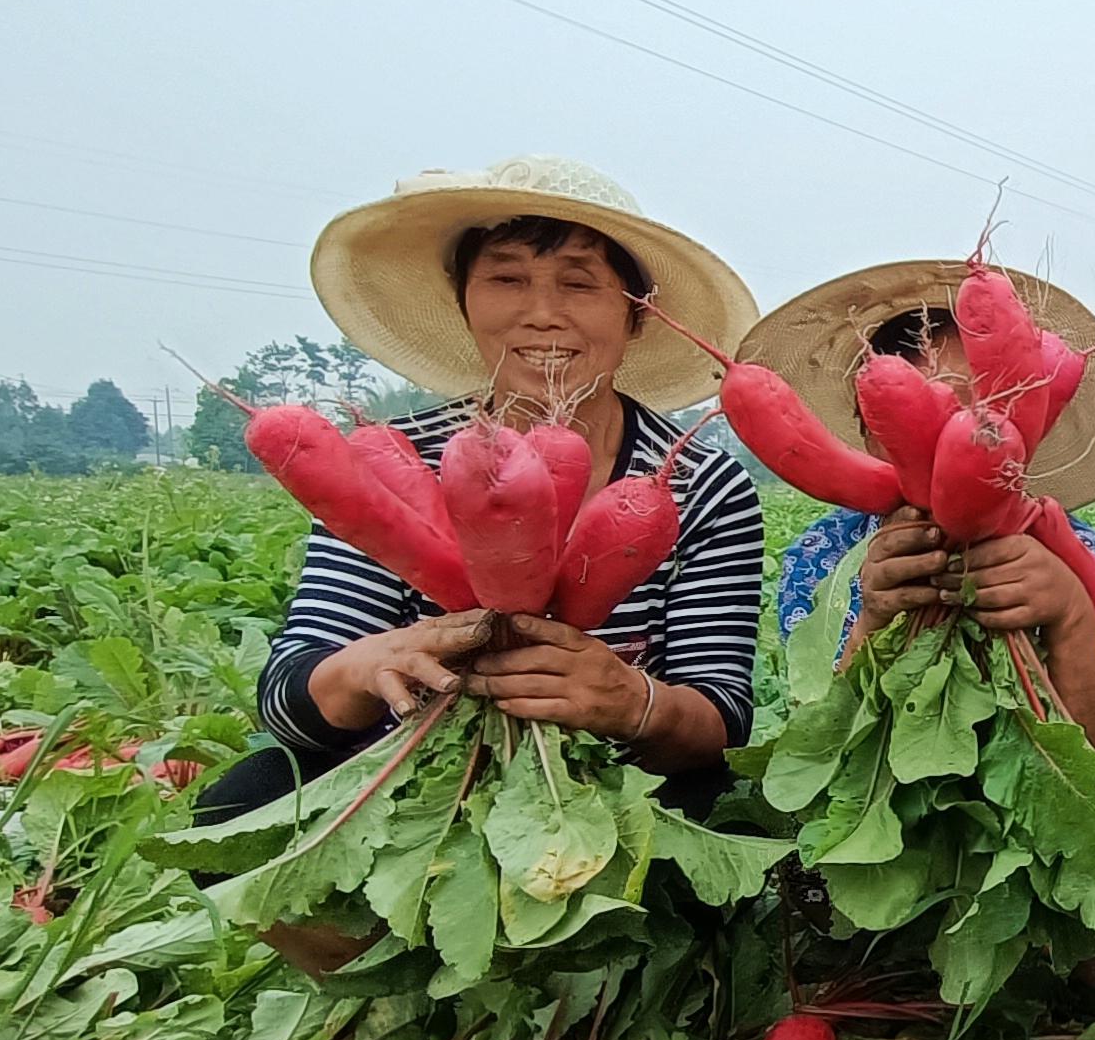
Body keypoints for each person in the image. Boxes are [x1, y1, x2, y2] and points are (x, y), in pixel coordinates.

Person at [200, 157, 768, 969]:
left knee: (729, 816)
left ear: (635, 315)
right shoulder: (391, 462)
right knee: (245, 802)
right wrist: (376, 663)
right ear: (465, 304)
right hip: (412, 788)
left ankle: (595, 972)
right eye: (506, 280)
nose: (542, 315)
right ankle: (383, 977)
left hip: (613, 797)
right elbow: (288, 701)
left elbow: (721, 722)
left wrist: (629, 704)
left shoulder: (703, 485)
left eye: (579, 284)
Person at [751, 260, 1095, 1014]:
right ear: (871, 421)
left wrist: (1069, 612)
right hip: (892, 808)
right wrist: (876, 614)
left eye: (972, 399)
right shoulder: (828, 554)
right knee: (819, 825)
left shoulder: (1075, 549)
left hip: (1053, 799)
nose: (946, 417)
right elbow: (822, 733)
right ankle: (890, 948)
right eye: (914, 397)